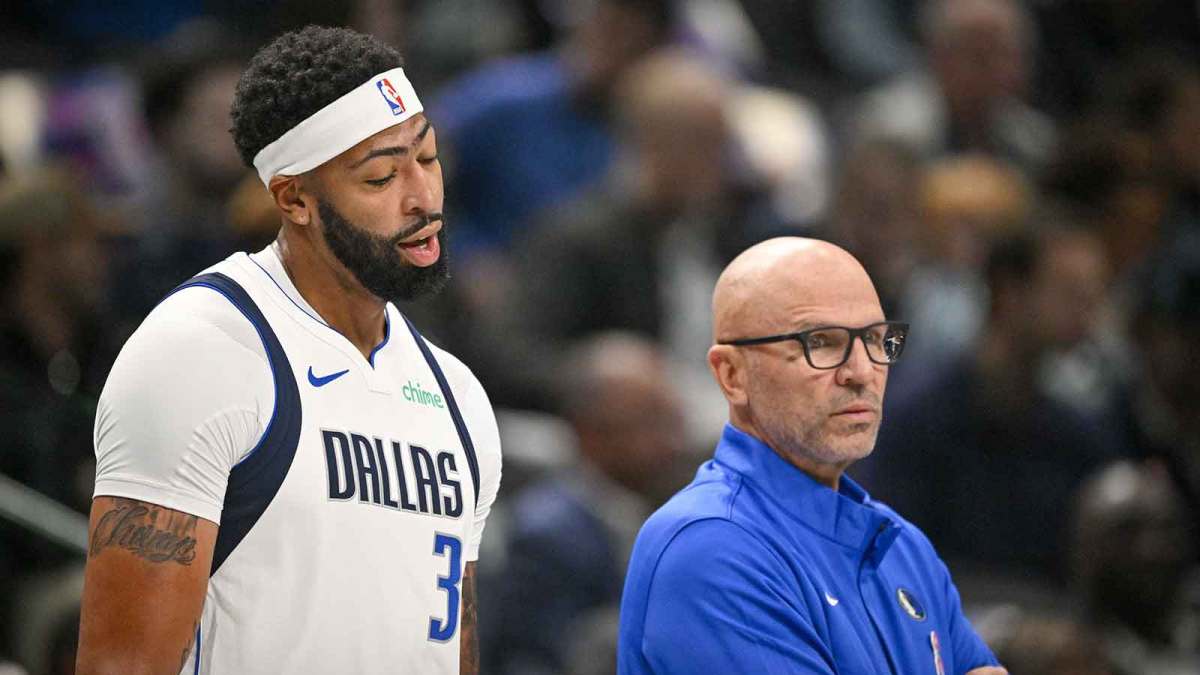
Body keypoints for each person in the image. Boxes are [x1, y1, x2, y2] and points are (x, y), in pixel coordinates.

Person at [75, 25, 502, 675]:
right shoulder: (201, 352)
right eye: (382, 175)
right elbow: (120, 664)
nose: (424, 197)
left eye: (429, 157)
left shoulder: (458, 395)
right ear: (294, 198)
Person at [617, 237, 1006, 674]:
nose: (862, 373)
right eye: (820, 342)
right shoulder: (709, 548)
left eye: (877, 340)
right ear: (732, 375)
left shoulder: (902, 544)